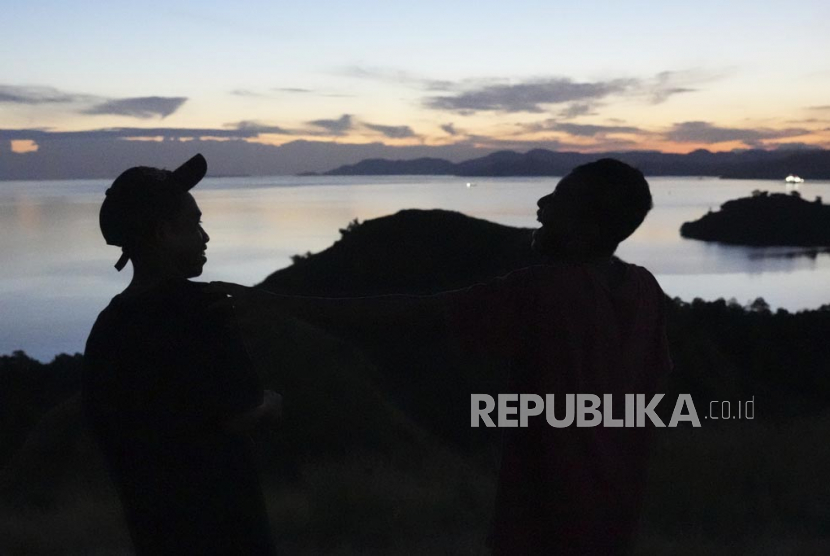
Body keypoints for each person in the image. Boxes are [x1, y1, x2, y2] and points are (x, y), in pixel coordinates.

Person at [212, 158, 672, 555]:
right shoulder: (643, 289)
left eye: (558, 201)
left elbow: (413, 316)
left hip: (548, 513)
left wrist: (277, 303)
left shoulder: (546, 291)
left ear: (588, 228)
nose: (541, 207)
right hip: (617, 509)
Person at [82, 154, 281, 556]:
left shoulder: (107, 326)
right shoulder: (205, 311)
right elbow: (241, 412)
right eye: (194, 224)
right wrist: (274, 403)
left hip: (155, 530)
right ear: (162, 234)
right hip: (226, 530)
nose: (205, 237)